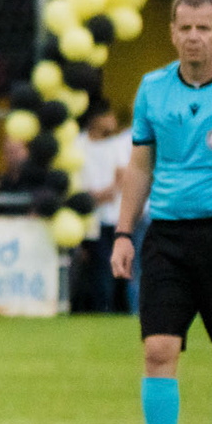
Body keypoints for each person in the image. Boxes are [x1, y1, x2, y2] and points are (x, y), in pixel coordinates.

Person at [109, 0, 212, 424]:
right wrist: (124, 232)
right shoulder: (152, 89)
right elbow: (140, 165)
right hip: (166, 235)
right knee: (158, 348)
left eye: (203, 28)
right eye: (184, 28)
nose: (193, 37)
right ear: (171, 33)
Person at [73, 101, 132, 315]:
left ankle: (118, 308)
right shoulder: (78, 144)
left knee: (118, 268)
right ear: (97, 119)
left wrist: (106, 193)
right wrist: (90, 198)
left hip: (114, 217)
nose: (113, 121)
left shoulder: (116, 145)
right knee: (97, 269)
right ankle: (100, 309)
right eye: (109, 116)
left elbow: (122, 175)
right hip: (88, 218)